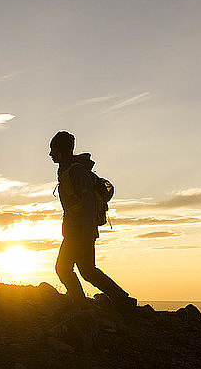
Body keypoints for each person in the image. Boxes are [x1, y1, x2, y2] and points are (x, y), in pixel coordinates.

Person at [50, 131, 135, 309]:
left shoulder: (76, 171)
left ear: (62, 150)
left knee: (63, 269)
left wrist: (86, 232)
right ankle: (123, 300)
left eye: (53, 150)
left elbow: (88, 203)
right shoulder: (68, 170)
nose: (50, 154)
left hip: (80, 231)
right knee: (88, 271)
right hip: (78, 230)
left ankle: (81, 305)